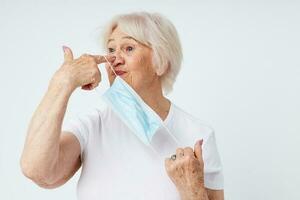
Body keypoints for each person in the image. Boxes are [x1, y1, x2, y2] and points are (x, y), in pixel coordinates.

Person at [20, 12, 224, 200]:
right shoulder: (91, 127)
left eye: (128, 48)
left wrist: (193, 192)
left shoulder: (199, 135)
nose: (114, 59)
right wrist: (62, 83)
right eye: (110, 50)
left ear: (161, 62)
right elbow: (36, 170)